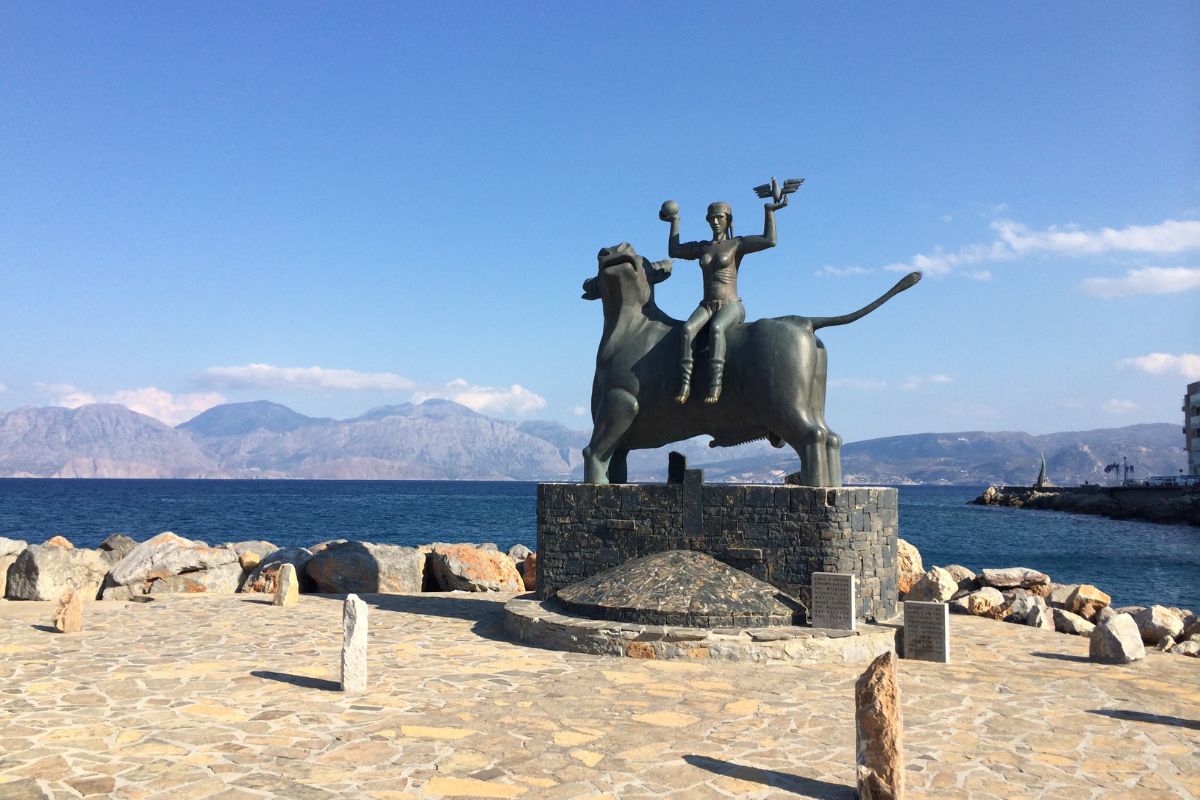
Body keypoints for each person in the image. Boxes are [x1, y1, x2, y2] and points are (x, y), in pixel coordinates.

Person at [659, 196, 787, 403]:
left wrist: (769, 212)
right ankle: (685, 384)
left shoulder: (737, 244)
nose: (715, 222)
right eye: (711, 218)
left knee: (717, 328)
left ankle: (715, 384)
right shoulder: (703, 247)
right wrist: (675, 222)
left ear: (728, 219)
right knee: (687, 329)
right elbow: (674, 250)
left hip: (731, 305)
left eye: (719, 217)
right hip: (707, 305)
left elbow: (768, 240)